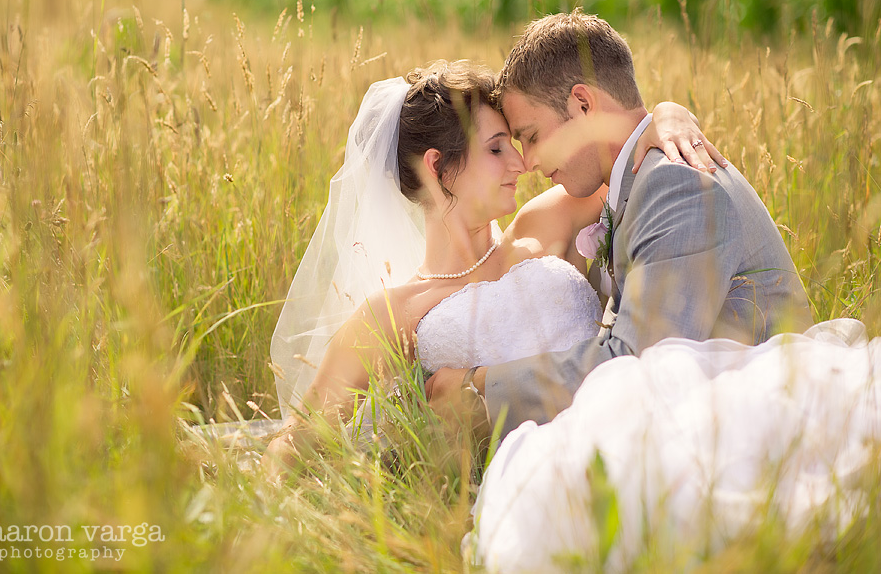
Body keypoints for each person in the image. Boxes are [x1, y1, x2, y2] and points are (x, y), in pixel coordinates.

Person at [263, 60, 719, 473]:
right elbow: (298, 439)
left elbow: (624, 154)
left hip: (632, 432)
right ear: (438, 168)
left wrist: (668, 113)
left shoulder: (547, 220)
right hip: (523, 482)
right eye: (498, 148)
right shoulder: (393, 312)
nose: (523, 163)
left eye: (517, 143)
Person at [424, 10, 814, 440]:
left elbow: (638, 364)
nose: (529, 162)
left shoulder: (674, 183)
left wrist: (479, 385)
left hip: (757, 420)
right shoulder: (634, 181)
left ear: (583, 104)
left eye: (532, 136)